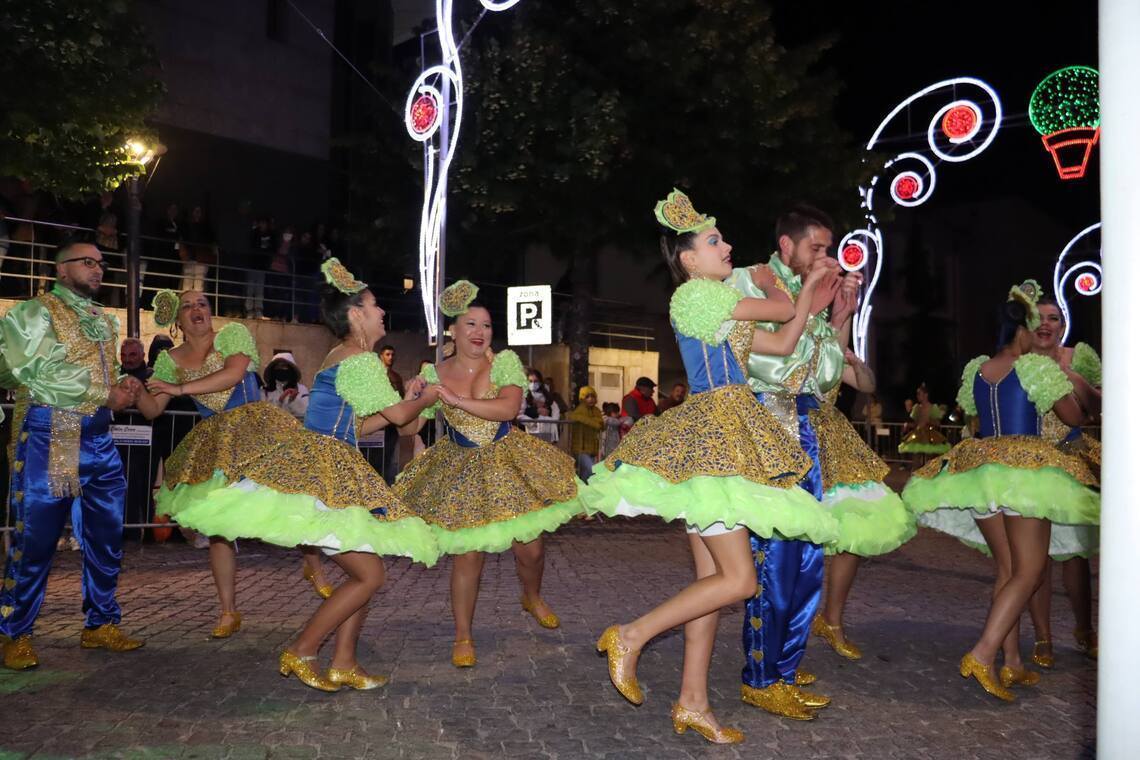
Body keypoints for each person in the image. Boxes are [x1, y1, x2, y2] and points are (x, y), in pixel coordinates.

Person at [583, 190, 840, 743]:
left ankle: (693, 702)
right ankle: (632, 634)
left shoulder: (717, 305)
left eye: (723, 239)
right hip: (716, 441)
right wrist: (776, 283)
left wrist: (811, 299)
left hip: (728, 437)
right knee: (740, 580)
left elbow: (785, 339)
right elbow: (780, 310)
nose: (727, 248)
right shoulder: (697, 296)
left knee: (712, 582)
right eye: (714, 241)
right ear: (689, 260)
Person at [151, 261, 441, 690]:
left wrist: (418, 399)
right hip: (325, 475)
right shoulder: (360, 361)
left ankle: (344, 662)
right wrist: (427, 395)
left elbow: (368, 425)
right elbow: (401, 417)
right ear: (356, 314)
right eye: (375, 305)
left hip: (329, 468)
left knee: (367, 570)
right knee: (370, 574)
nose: (383, 312)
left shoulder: (342, 358)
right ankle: (303, 650)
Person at [902, 280, 1097, 701]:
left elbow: (973, 417)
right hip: (1025, 473)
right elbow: (1073, 417)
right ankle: (983, 653)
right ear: (1023, 328)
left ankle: (1012, 663)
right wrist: (1070, 383)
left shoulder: (979, 368)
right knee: (1029, 572)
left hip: (980, 472)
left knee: (1008, 570)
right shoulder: (1035, 368)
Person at [396, 280, 584, 670]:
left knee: (531, 548)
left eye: (486, 325)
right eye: (471, 324)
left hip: (507, 460)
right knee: (468, 555)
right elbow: (409, 428)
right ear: (453, 330)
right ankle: (463, 635)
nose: (480, 332)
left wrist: (456, 399)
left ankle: (531, 596)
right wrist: (411, 398)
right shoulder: (433, 372)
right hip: (460, 466)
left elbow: (508, 409)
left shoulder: (504, 363)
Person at [135, 290, 333, 636]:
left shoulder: (232, 334)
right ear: (178, 320)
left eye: (202, 303)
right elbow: (152, 410)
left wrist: (179, 389)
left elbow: (232, 373)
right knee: (219, 528)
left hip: (255, 430)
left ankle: (312, 562)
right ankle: (228, 611)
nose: (197, 309)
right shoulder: (170, 359)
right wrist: (136, 391)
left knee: (287, 497)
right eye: (188, 306)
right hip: (215, 443)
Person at [0, 242, 143, 670]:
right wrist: (105, 393)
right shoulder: (34, 312)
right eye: (87, 262)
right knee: (35, 541)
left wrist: (124, 386)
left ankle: (100, 623)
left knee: (106, 537)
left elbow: (102, 372)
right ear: (61, 270)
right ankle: (14, 632)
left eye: (101, 263)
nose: (97, 269)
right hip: (53, 435)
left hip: (99, 438)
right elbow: (36, 372)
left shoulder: (102, 318)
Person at [1024, 296, 1102, 665]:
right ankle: (1043, 637)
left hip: (1071, 460)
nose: (1045, 324)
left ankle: (1085, 630)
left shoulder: (1077, 357)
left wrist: (1069, 376)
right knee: (1036, 558)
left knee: (1076, 554)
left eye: (1053, 318)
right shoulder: (1020, 361)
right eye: (1038, 317)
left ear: (1062, 324)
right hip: (1031, 466)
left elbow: (1099, 406)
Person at [898, 383, 950, 456]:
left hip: (929, 435)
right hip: (918, 434)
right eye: (917, 394)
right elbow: (916, 424)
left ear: (926, 395)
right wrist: (907, 425)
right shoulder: (916, 408)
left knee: (929, 455)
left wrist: (929, 422)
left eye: (919, 394)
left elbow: (938, 423)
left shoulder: (933, 407)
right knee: (916, 455)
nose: (917, 396)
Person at [378, 345, 404, 484]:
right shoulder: (376, 375)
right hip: (377, 422)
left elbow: (401, 397)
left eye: (392, 355)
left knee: (388, 457)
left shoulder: (396, 377)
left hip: (391, 424)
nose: (390, 357)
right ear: (381, 356)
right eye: (387, 354)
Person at [566, 385, 604, 481]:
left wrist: (595, 422)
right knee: (591, 470)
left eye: (592, 396)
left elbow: (602, 425)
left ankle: (584, 488)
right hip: (580, 448)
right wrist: (594, 422)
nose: (590, 399)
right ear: (582, 398)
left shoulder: (596, 410)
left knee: (586, 473)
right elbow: (573, 417)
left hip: (592, 448)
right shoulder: (580, 410)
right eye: (587, 397)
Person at [180, 205, 217, 294]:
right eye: (195, 211)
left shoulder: (207, 227)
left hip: (202, 258)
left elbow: (211, 241)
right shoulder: (187, 226)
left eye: (199, 211)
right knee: (187, 283)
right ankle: (186, 301)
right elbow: (183, 240)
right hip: (190, 257)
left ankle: (197, 302)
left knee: (199, 284)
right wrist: (183, 252)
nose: (197, 213)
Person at [263, 352, 310, 420]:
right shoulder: (265, 391)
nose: (280, 369)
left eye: (284, 366)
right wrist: (280, 401)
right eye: (277, 366)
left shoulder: (301, 389)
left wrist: (292, 401)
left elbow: (305, 413)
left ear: (291, 369)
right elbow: (263, 414)